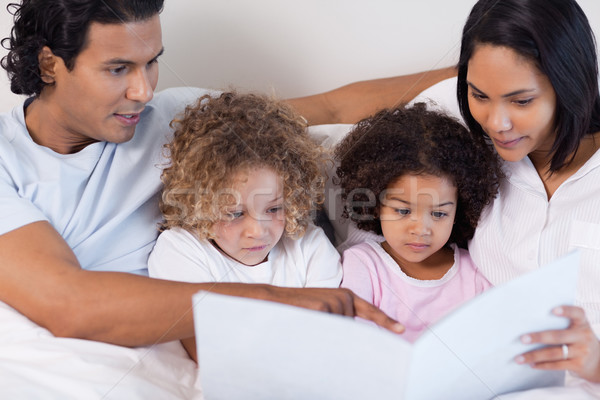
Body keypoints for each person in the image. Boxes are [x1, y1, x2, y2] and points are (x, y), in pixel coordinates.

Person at [0, 0, 413, 392]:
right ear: (50, 65)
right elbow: (68, 303)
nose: (143, 91)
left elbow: (333, 106)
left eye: (152, 62)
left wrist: (470, 72)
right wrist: (279, 300)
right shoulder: (6, 157)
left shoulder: (179, 123)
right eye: (118, 68)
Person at [293, 0, 600, 387]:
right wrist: (212, 116)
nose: (496, 123)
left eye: (522, 101)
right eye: (479, 95)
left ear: (572, 84)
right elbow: (336, 109)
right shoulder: (466, 141)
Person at [148, 91, 343, 360]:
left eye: (274, 208)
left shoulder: (309, 245)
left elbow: (326, 338)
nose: (258, 231)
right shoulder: (180, 250)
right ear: (197, 204)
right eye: (234, 213)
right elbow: (208, 351)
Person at [335, 104, 499, 342]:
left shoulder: (474, 272)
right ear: (375, 205)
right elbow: (353, 336)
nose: (421, 230)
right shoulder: (362, 264)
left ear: (459, 211)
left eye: (439, 214)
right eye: (403, 210)